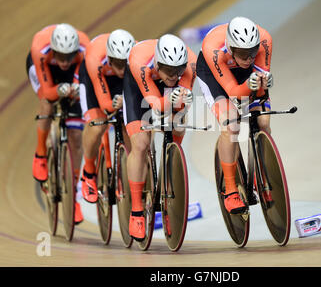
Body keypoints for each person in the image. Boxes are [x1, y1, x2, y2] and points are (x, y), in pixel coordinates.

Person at [123, 34, 197, 241]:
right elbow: (154, 104)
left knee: (178, 123)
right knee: (141, 143)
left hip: (166, 91)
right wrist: (169, 100)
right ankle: (137, 210)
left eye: (178, 70)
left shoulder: (190, 65)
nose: (174, 75)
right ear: (157, 64)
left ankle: (169, 166)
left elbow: (179, 107)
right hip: (138, 90)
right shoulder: (140, 62)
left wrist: (178, 103)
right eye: (169, 70)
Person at [196, 16, 273, 215]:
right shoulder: (213, 48)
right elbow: (233, 91)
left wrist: (261, 83)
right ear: (231, 48)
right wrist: (249, 86)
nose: (249, 58)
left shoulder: (265, 40)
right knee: (231, 126)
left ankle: (261, 173)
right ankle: (230, 189)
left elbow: (261, 86)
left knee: (263, 122)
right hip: (215, 75)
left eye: (252, 52)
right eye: (243, 53)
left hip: (244, 76)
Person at [27, 23, 90, 224]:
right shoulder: (40, 48)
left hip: (75, 72)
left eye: (68, 56)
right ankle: (40, 154)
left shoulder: (85, 50)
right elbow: (47, 91)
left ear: (75, 52)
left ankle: (73, 195)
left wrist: (73, 88)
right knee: (47, 103)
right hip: (45, 69)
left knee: (77, 137)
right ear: (54, 50)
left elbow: (82, 83)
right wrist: (58, 91)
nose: (64, 61)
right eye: (61, 57)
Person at [78, 29, 136, 203]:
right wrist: (114, 104)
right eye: (118, 64)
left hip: (121, 82)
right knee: (98, 125)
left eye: (125, 63)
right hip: (94, 80)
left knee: (132, 124)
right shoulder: (95, 59)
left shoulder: (135, 58)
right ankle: (88, 173)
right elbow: (105, 103)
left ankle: (133, 173)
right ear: (110, 59)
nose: (121, 68)